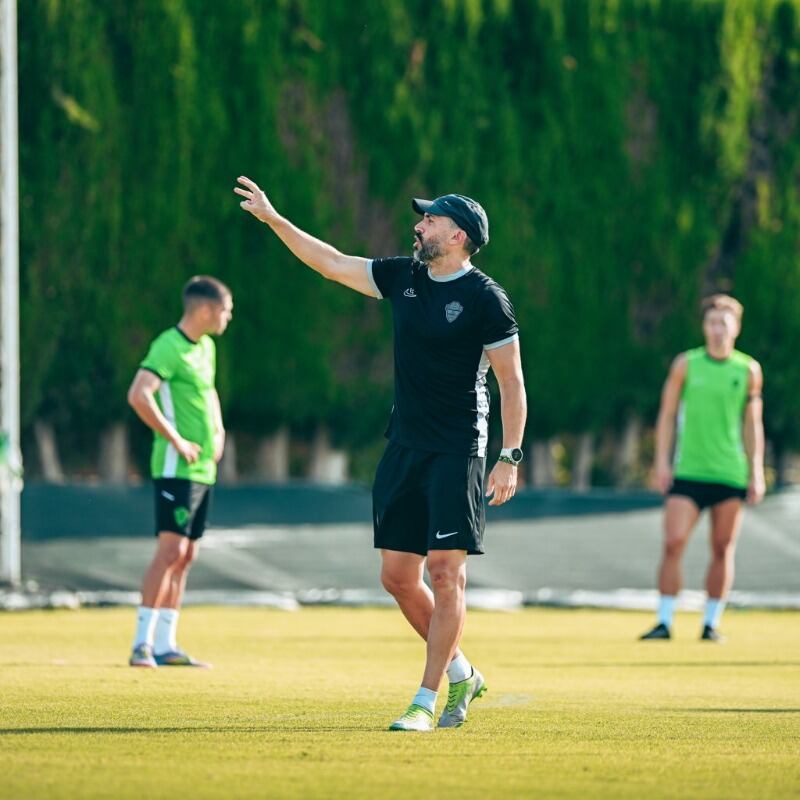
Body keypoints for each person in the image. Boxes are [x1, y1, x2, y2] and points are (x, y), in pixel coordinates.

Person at [235, 177, 526, 730]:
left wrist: (509, 455)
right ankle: (465, 673)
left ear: (458, 235)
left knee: (445, 574)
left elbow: (512, 383)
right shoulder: (404, 276)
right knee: (396, 577)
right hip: (405, 447)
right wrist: (274, 219)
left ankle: (425, 699)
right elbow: (332, 263)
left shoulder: (487, 298)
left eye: (430, 220)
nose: (419, 226)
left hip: (459, 451)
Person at [641, 294, 765, 643]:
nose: (717, 329)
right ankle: (664, 621)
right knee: (673, 542)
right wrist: (662, 461)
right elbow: (666, 415)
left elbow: (752, 424)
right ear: (704, 326)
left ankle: (711, 624)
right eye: (712, 322)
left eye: (724, 322)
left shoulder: (748, 370)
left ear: (736, 328)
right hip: (689, 471)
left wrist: (756, 470)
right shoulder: (686, 364)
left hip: (729, 473)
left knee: (723, 547)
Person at [127, 276, 233, 667]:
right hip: (177, 467)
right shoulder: (168, 345)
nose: (228, 317)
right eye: (225, 310)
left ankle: (167, 644)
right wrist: (175, 439)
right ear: (205, 310)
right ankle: (141, 644)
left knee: (187, 554)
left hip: (204, 469)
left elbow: (208, 392)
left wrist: (218, 429)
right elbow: (139, 394)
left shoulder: (206, 347)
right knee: (170, 550)